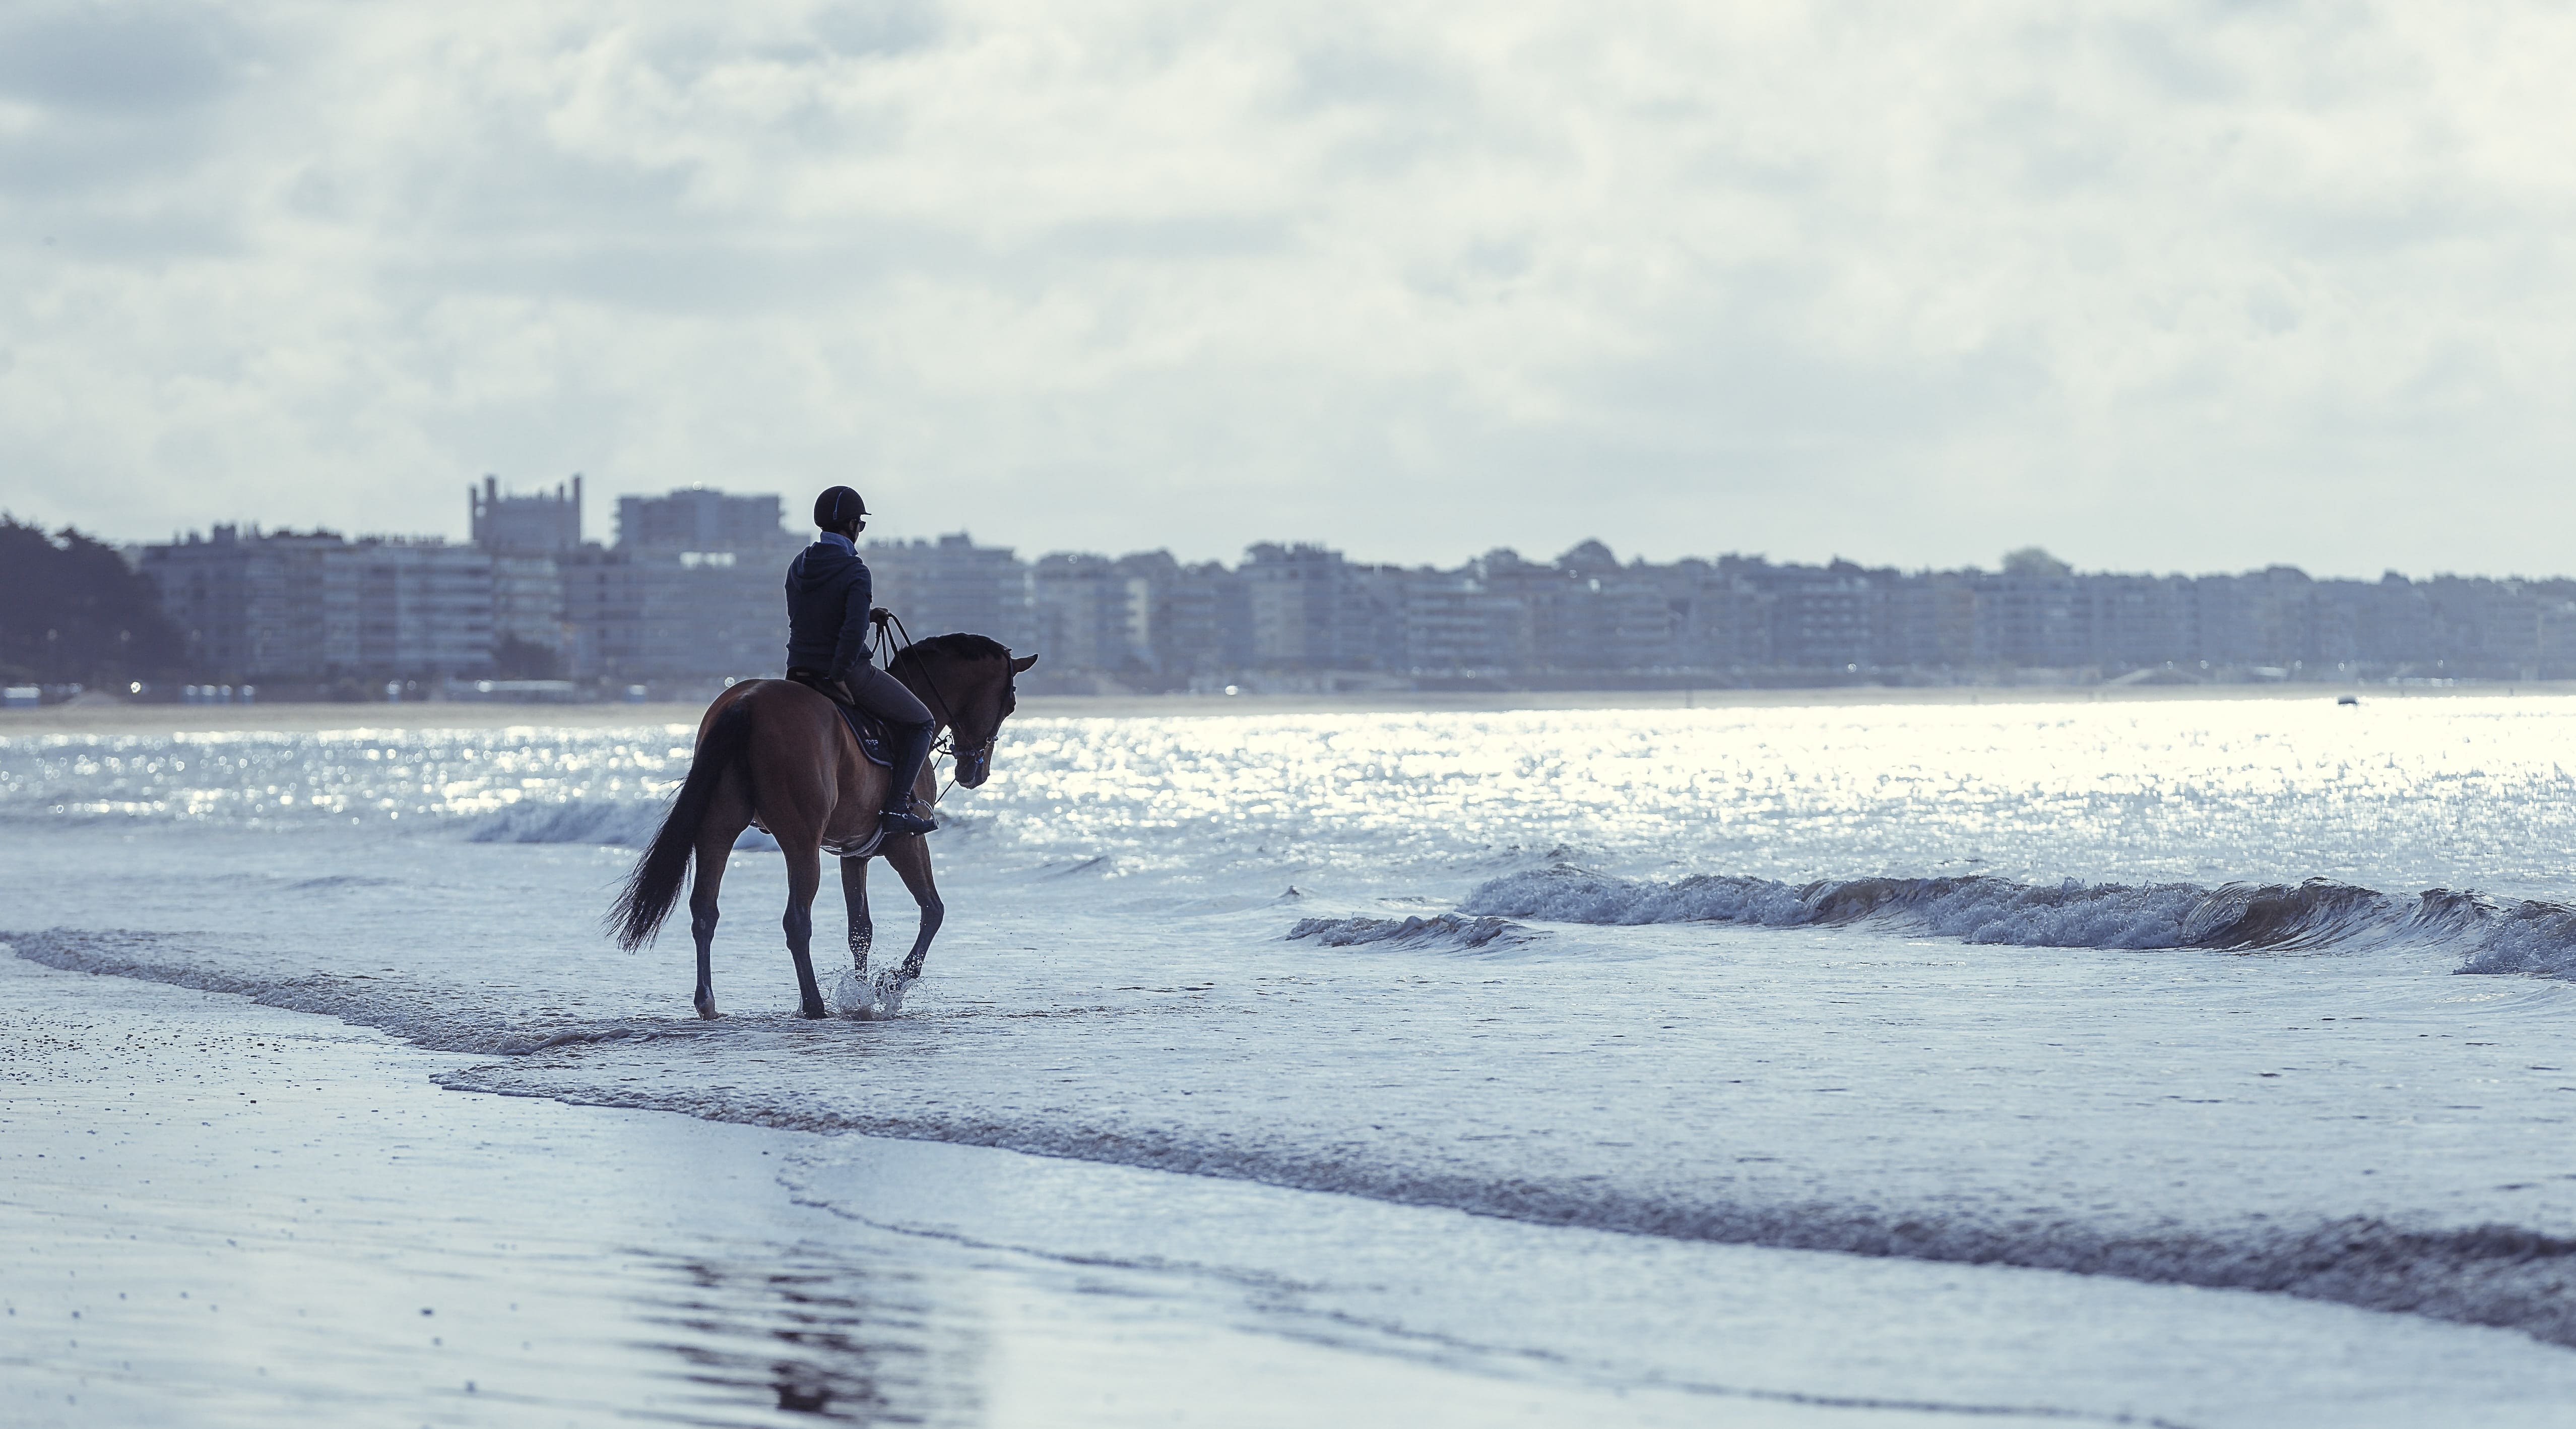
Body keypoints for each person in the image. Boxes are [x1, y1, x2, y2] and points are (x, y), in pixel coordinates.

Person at [783, 486, 939, 837]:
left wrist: (868, 614)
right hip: (846, 671)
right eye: (860, 526)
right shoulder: (855, 570)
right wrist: (839, 675)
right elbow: (851, 636)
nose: (860, 532)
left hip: (797, 672)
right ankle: (897, 807)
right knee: (922, 722)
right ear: (852, 525)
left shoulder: (799, 564)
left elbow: (813, 616)